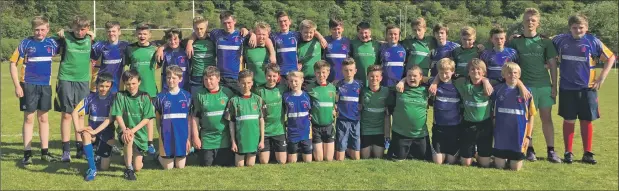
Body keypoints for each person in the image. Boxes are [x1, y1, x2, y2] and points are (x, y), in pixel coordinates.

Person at [552, 14, 616, 164]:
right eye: (574, 27)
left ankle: (587, 153)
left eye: (581, 27)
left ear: (586, 28)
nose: (578, 30)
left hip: (587, 89)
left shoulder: (593, 41)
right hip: (567, 87)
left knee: (586, 120)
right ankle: (568, 152)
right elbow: (545, 45)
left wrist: (601, 78)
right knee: (569, 120)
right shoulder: (560, 40)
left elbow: (611, 57)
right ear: (570, 28)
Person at [501, 8, 561, 162]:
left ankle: (551, 151)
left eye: (533, 20)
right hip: (526, 87)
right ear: (523, 22)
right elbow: (511, 65)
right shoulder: (515, 41)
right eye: (527, 20)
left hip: (544, 86)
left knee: (546, 118)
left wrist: (554, 86)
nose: (530, 23)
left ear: (538, 23)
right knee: (526, 118)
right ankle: (530, 149)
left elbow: (553, 65)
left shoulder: (546, 42)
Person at [10, 16, 60, 165]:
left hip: (45, 85)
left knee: (44, 118)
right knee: (29, 118)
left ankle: (45, 152)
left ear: (47, 29)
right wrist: (17, 86)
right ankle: (27, 153)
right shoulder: (25, 43)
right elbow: (13, 64)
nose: (39, 32)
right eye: (36, 30)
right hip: (28, 85)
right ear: (33, 30)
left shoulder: (52, 43)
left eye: (42, 29)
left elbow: (71, 39)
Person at [54, 15, 94, 161]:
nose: (80, 32)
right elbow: (48, 40)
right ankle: (65, 151)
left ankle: (80, 148)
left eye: (83, 29)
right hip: (66, 78)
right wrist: (59, 33)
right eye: (77, 29)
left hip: (83, 81)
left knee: (81, 115)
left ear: (88, 29)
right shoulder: (65, 37)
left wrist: (92, 36)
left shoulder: (90, 39)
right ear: (72, 27)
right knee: (66, 114)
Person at [110, 69, 156, 180]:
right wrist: (125, 130)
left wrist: (132, 130)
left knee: (138, 167)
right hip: (125, 131)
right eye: (128, 84)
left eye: (134, 83)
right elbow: (118, 115)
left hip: (140, 134)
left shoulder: (145, 97)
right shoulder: (120, 96)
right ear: (124, 84)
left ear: (139, 82)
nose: (131, 86)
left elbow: (147, 119)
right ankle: (128, 169)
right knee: (129, 138)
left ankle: (132, 159)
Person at [491, 63, 536, 171]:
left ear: (519, 75)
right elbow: (491, 113)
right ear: (504, 75)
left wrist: (528, 136)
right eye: (509, 73)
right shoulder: (497, 90)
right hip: (501, 136)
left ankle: (512, 159)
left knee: (515, 169)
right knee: (499, 166)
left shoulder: (527, 92)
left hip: (518, 135)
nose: (512, 75)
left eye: (515, 73)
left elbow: (531, 116)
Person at [71, 73, 116, 181]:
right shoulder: (90, 98)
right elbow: (74, 112)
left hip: (107, 134)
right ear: (96, 85)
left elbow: (110, 119)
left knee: (104, 167)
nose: (103, 89)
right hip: (92, 133)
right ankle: (92, 168)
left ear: (111, 86)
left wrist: (95, 131)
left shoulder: (113, 98)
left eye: (107, 86)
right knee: (85, 134)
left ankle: (98, 155)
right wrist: (78, 129)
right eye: (101, 86)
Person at [125, 23, 159, 157]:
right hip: (133, 89)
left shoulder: (155, 49)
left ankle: (150, 143)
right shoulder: (130, 49)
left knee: (149, 117)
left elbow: (158, 65)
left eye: (145, 34)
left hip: (149, 89)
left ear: (150, 35)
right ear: (136, 34)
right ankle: (135, 142)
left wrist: (161, 48)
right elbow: (126, 67)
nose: (142, 36)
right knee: (134, 116)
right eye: (139, 33)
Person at [191, 66, 235, 167]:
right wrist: (196, 138)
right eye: (205, 79)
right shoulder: (199, 94)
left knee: (224, 163)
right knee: (207, 164)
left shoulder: (227, 93)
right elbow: (195, 117)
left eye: (211, 78)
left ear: (218, 79)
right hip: (207, 138)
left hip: (224, 138)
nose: (208, 82)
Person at [388, 66, 431, 161]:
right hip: (401, 133)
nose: (411, 78)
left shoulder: (426, 90)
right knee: (398, 158)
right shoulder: (398, 89)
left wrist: (403, 80)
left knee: (424, 158)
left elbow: (438, 78)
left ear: (421, 77)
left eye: (415, 76)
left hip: (420, 134)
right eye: (409, 76)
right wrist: (402, 82)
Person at [153, 65, 192, 169]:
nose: (171, 80)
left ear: (180, 79)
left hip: (181, 136)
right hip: (167, 135)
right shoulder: (160, 97)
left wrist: (188, 138)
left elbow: (189, 119)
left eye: (174, 78)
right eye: (168, 77)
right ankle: (158, 156)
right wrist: (160, 136)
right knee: (169, 167)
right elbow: (157, 119)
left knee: (180, 167)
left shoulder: (186, 96)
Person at [225, 70, 265, 167]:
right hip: (240, 140)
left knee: (250, 165)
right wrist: (233, 142)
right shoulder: (233, 101)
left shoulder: (258, 100)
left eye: (248, 83)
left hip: (253, 139)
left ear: (252, 83)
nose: (246, 86)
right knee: (240, 166)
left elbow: (261, 120)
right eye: (243, 83)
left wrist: (262, 140)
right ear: (238, 83)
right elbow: (231, 123)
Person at [271, 11, 327, 79]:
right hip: (280, 73)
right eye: (280, 21)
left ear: (290, 21)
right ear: (277, 23)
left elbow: (310, 30)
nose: (283, 23)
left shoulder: (296, 35)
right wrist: (253, 35)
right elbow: (264, 37)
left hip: (294, 73)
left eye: (285, 21)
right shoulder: (273, 36)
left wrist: (321, 37)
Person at [254, 65, 288, 164]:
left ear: (278, 76)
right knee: (264, 161)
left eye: (274, 76)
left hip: (279, 130)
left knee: (282, 161)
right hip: (265, 131)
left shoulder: (283, 89)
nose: (271, 78)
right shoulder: (259, 91)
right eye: (269, 76)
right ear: (265, 76)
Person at [430, 58, 461, 165]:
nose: (444, 75)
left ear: (453, 71)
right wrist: (402, 81)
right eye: (441, 73)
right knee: (438, 162)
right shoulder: (434, 84)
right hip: (439, 127)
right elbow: (419, 78)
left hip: (454, 127)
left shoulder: (459, 84)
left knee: (451, 161)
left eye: (447, 73)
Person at [306, 61, 337, 162]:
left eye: (324, 72)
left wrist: (335, 110)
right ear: (315, 73)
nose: (321, 75)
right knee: (319, 159)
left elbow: (335, 104)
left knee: (328, 159)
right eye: (318, 72)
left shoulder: (333, 88)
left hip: (329, 126)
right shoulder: (309, 88)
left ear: (328, 73)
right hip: (316, 127)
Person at [359, 65, 390, 159]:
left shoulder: (386, 91)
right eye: (371, 76)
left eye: (377, 76)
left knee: (378, 156)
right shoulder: (362, 91)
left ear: (381, 78)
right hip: (366, 130)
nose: (374, 79)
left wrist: (387, 135)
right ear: (367, 77)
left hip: (379, 131)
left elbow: (388, 115)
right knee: (365, 157)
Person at [335, 58, 363, 161]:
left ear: (355, 71)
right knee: (340, 158)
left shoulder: (360, 85)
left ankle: (350, 151)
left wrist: (361, 105)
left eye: (351, 70)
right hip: (342, 121)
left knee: (356, 157)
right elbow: (334, 100)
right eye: (346, 70)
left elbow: (363, 99)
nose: (348, 73)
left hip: (355, 121)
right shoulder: (338, 85)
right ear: (342, 71)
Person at [90, 21, 129, 94]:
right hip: (101, 86)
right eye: (109, 31)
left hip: (118, 86)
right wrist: (89, 35)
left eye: (114, 31)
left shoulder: (125, 46)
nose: (111, 33)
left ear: (119, 32)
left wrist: (158, 48)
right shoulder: (99, 46)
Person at [283, 71, 313, 163]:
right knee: (292, 161)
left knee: (308, 161)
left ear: (302, 80)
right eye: (291, 81)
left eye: (296, 81)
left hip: (305, 132)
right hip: (292, 133)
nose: (294, 84)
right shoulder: (286, 96)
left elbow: (312, 111)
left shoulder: (307, 96)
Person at [185, 16, 217, 94]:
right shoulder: (189, 42)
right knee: (196, 102)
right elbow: (173, 43)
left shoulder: (213, 40)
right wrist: (161, 48)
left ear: (206, 28)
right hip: (196, 78)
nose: (199, 31)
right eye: (196, 29)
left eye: (201, 28)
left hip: (211, 76)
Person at [244, 21, 273, 88]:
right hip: (252, 86)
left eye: (264, 34)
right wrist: (250, 33)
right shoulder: (247, 47)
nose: (261, 37)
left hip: (268, 86)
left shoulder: (271, 47)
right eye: (259, 34)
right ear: (255, 34)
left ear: (268, 35)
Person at [298, 19, 323, 88]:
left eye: (310, 32)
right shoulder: (297, 45)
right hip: (303, 79)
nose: (308, 35)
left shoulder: (318, 41)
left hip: (317, 78)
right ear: (301, 32)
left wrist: (320, 37)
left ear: (314, 32)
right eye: (305, 32)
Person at [324, 18, 351, 82]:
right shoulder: (325, 41)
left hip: (343, 79)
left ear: (342, 29)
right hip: (328, 79)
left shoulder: (348, 42)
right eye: (334, 29)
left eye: (338, 29)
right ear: (330, 29)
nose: (336, 31)